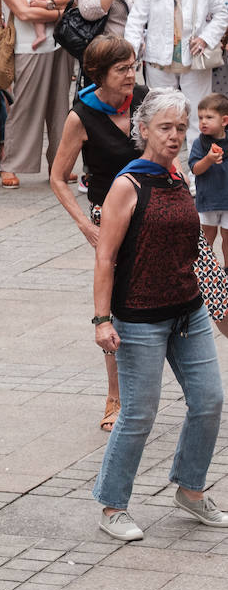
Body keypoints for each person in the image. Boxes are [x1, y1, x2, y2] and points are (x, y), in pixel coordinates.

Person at [91, 89, 228, 541]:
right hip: (139, 318)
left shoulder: (180, 177)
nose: (174, 136)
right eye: (165, 127)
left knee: (209, 401)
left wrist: (218, 301)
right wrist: (102, 320)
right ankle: (113, 505)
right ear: (143, 129)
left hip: (188, 312)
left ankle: (190, 490)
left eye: (180, 128)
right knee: (139, 413)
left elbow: (195, 247)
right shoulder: (127, 185)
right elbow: (105, 257)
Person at [49, 36, 145, 432]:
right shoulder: (82, 115)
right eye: (122, 69)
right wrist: (86, 224)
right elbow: (58, 177)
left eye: (133, 66)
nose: (131, 75)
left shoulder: (144, 100)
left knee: (206, 281)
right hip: (110, 217)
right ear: (99, 74)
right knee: (115, 303)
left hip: (155, 209)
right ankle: (115, 396)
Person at [0, 0, 74, 189]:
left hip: (58, 46)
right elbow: (25, 13)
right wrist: (59, 11)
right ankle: (11, 164)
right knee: (26, 107)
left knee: (60, 109)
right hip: (29, 49)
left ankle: (58, 165)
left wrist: (55, 7)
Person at [192, 93, 228, 265]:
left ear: (224, 121)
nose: (203, 122)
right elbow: (195, 169)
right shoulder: (199, 143)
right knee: (207, 238)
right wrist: (208, 159)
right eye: (200, 118)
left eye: (209, 117)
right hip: (208, 199)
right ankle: (206, 270)